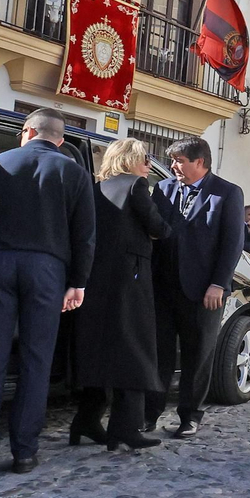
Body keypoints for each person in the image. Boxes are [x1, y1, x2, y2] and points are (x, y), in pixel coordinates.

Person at [0, 109, 95, 477]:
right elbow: (85, 235)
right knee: (37, 362)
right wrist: (77, 282)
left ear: (27, 132)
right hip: (48, 270)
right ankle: (25, 453)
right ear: (60, 140)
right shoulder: (74, 172)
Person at [69, 139, 171, 453]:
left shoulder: (97, 188)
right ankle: (126, 428)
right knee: (134, 350)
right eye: (145, 159)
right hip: (130, 279)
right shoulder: (136, 186)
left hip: (98, 279)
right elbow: (159, 227)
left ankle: (86, 420)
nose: (148, 165)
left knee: (101, 350)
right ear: (131, 161)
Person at [147, 137, 245, 440]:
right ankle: (149, 415)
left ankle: (190, 415)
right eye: (173, 161)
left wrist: (219, 283)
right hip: (163, 287)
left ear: (199, 162)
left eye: (179, 161)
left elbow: (232, 243)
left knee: (197, 355)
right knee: (159, 354)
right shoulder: (164, 189)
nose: (174, 167)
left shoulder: (227, 193)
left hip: (203, 291)